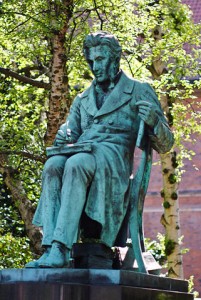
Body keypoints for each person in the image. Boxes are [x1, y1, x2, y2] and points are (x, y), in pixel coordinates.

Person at [26, 31, 174, 268]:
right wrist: (65, 136)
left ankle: (62, 248)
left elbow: (167, 144)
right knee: (53, 165)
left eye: (101, 60)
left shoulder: (139, 90)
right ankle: (52, 247)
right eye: (91, 61)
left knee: (76, 163)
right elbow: (70, 134)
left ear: (115, 59)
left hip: (112, 166)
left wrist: (155, 121)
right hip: (84, 155)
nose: (95, 66)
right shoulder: (82, 99)